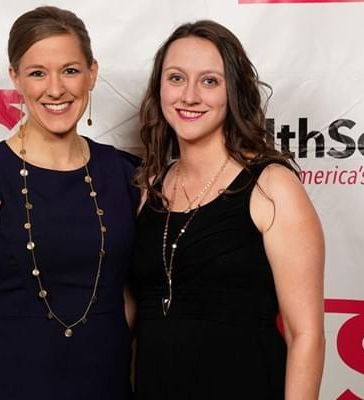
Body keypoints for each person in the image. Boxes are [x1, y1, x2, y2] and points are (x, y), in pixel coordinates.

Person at [0, 6, 138, 400]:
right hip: (11, 384)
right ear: (16, 78)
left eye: (70, 70)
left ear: (92, 73)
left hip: (107, 385)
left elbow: (131, 300)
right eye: (37, 73)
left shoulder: (125, 176)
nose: (55, 89)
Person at [129, 20, 325, 399]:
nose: (189, 96)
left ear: (233, 91)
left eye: (209, 81)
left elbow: (306, 334)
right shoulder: (149, 188)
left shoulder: (271, 186)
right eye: (176, 78)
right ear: (159, 88)